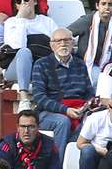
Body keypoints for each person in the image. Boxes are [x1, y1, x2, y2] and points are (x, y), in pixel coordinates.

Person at [30, 28, 97, 158]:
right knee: (63, 121)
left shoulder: (80, 64)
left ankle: (85, 162)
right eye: (58, 41)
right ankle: (57, 168)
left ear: (73, 43)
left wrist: (89, 105)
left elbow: (89, 93)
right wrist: (66, 110)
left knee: (99, 116)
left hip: (78, 109)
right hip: (50, 113)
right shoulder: (41, 65)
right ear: (52, 45)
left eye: (66, 40)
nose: (63, 44)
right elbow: (39, 98)